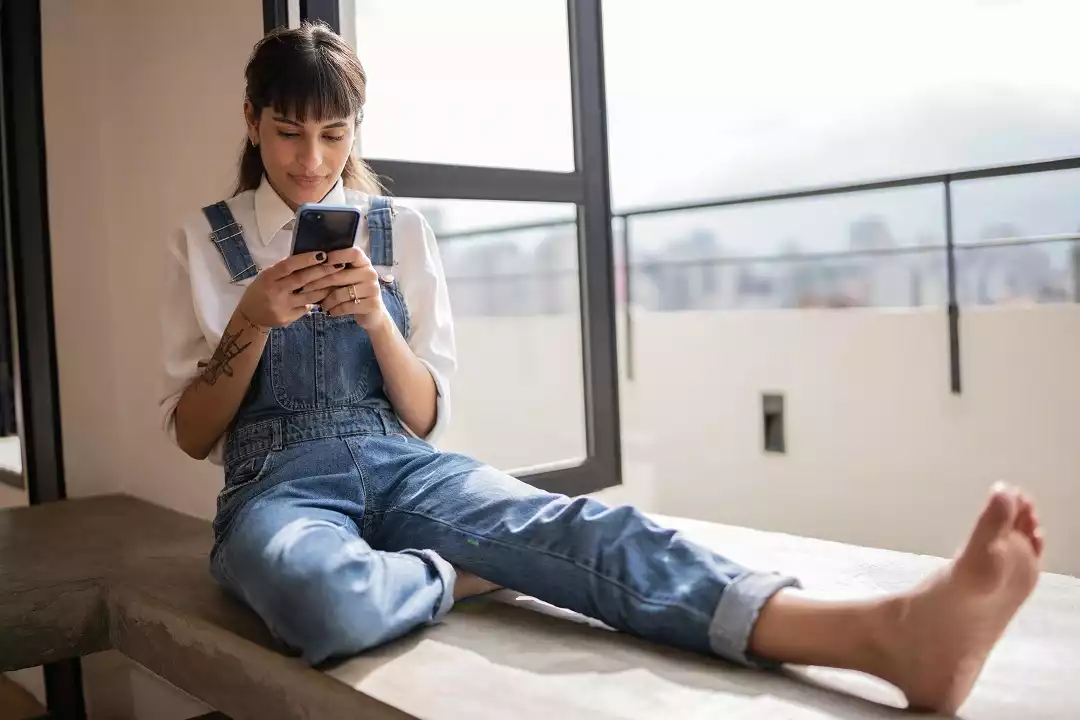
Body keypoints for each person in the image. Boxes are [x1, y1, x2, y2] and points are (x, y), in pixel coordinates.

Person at [159, 21, 1044, 715]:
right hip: (278, 486)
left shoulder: (402, 234)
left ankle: (880, 633)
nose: (310, 162)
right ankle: (473, 569)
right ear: (252, 121)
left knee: (588, 528)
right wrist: (251, 319)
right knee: (322, 602)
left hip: (399, 462)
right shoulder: (204, 241)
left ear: (356, 130)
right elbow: (196, 434)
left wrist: (379, 323)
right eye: (286, 133)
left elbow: (424, 417)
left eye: (332, 134)